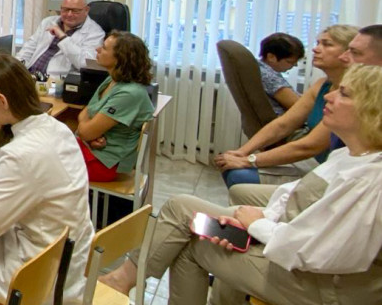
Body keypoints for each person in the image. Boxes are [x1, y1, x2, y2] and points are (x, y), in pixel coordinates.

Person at [100, 63, 382, 305]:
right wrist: (257, 221)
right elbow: (296, 201)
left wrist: (257, 226)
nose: (329, 97)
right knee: (190, 223)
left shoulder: (369, 179)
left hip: (320, 286)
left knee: (189, 237)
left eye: (344, 93)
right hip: (291, 249)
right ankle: (123, 279)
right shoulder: (348, 155)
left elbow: (320, 253)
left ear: (372, 111)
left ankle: (121, 279)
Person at [0, 54, 94, 305]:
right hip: (64, 260)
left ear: (1, 100)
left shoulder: (20, 153)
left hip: (33, 277)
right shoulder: (58, 129)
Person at [214, 24, 356, 187]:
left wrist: (249, 160)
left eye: (327, 44)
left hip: (331, 174)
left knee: (239, 175)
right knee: (233, 169)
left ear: (349, 53)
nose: (316, 49)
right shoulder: (321, 85)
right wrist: (241, 152)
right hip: (314, 164)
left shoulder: (353, 93)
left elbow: (310, 146)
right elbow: (283, 124)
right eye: (317, 43)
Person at [75, 31, 155, 182]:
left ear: (120, 58)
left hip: (104, 164)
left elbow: (85, 130)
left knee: (42, 162)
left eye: (104, 48)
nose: (98, 49)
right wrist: (89, 134)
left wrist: (87, 133)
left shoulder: (129, 94)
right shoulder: (112, 80)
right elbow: (84, 112)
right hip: (93, 149)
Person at [16, 0, 106, 77]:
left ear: (86, 10)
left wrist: (62, 37)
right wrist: (16, 68)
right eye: (65, 9)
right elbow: (28, 50)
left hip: (56, 83)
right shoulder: (48, 22)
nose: (69, 14)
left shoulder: (95, 33)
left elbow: (85, 64)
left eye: (75, 11)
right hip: (30, 76)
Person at [257, 32, 305, 115]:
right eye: (290, 62)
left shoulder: (258, 67)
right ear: (271, 57)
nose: (295, 65)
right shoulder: (268, 76)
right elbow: (299, 106)